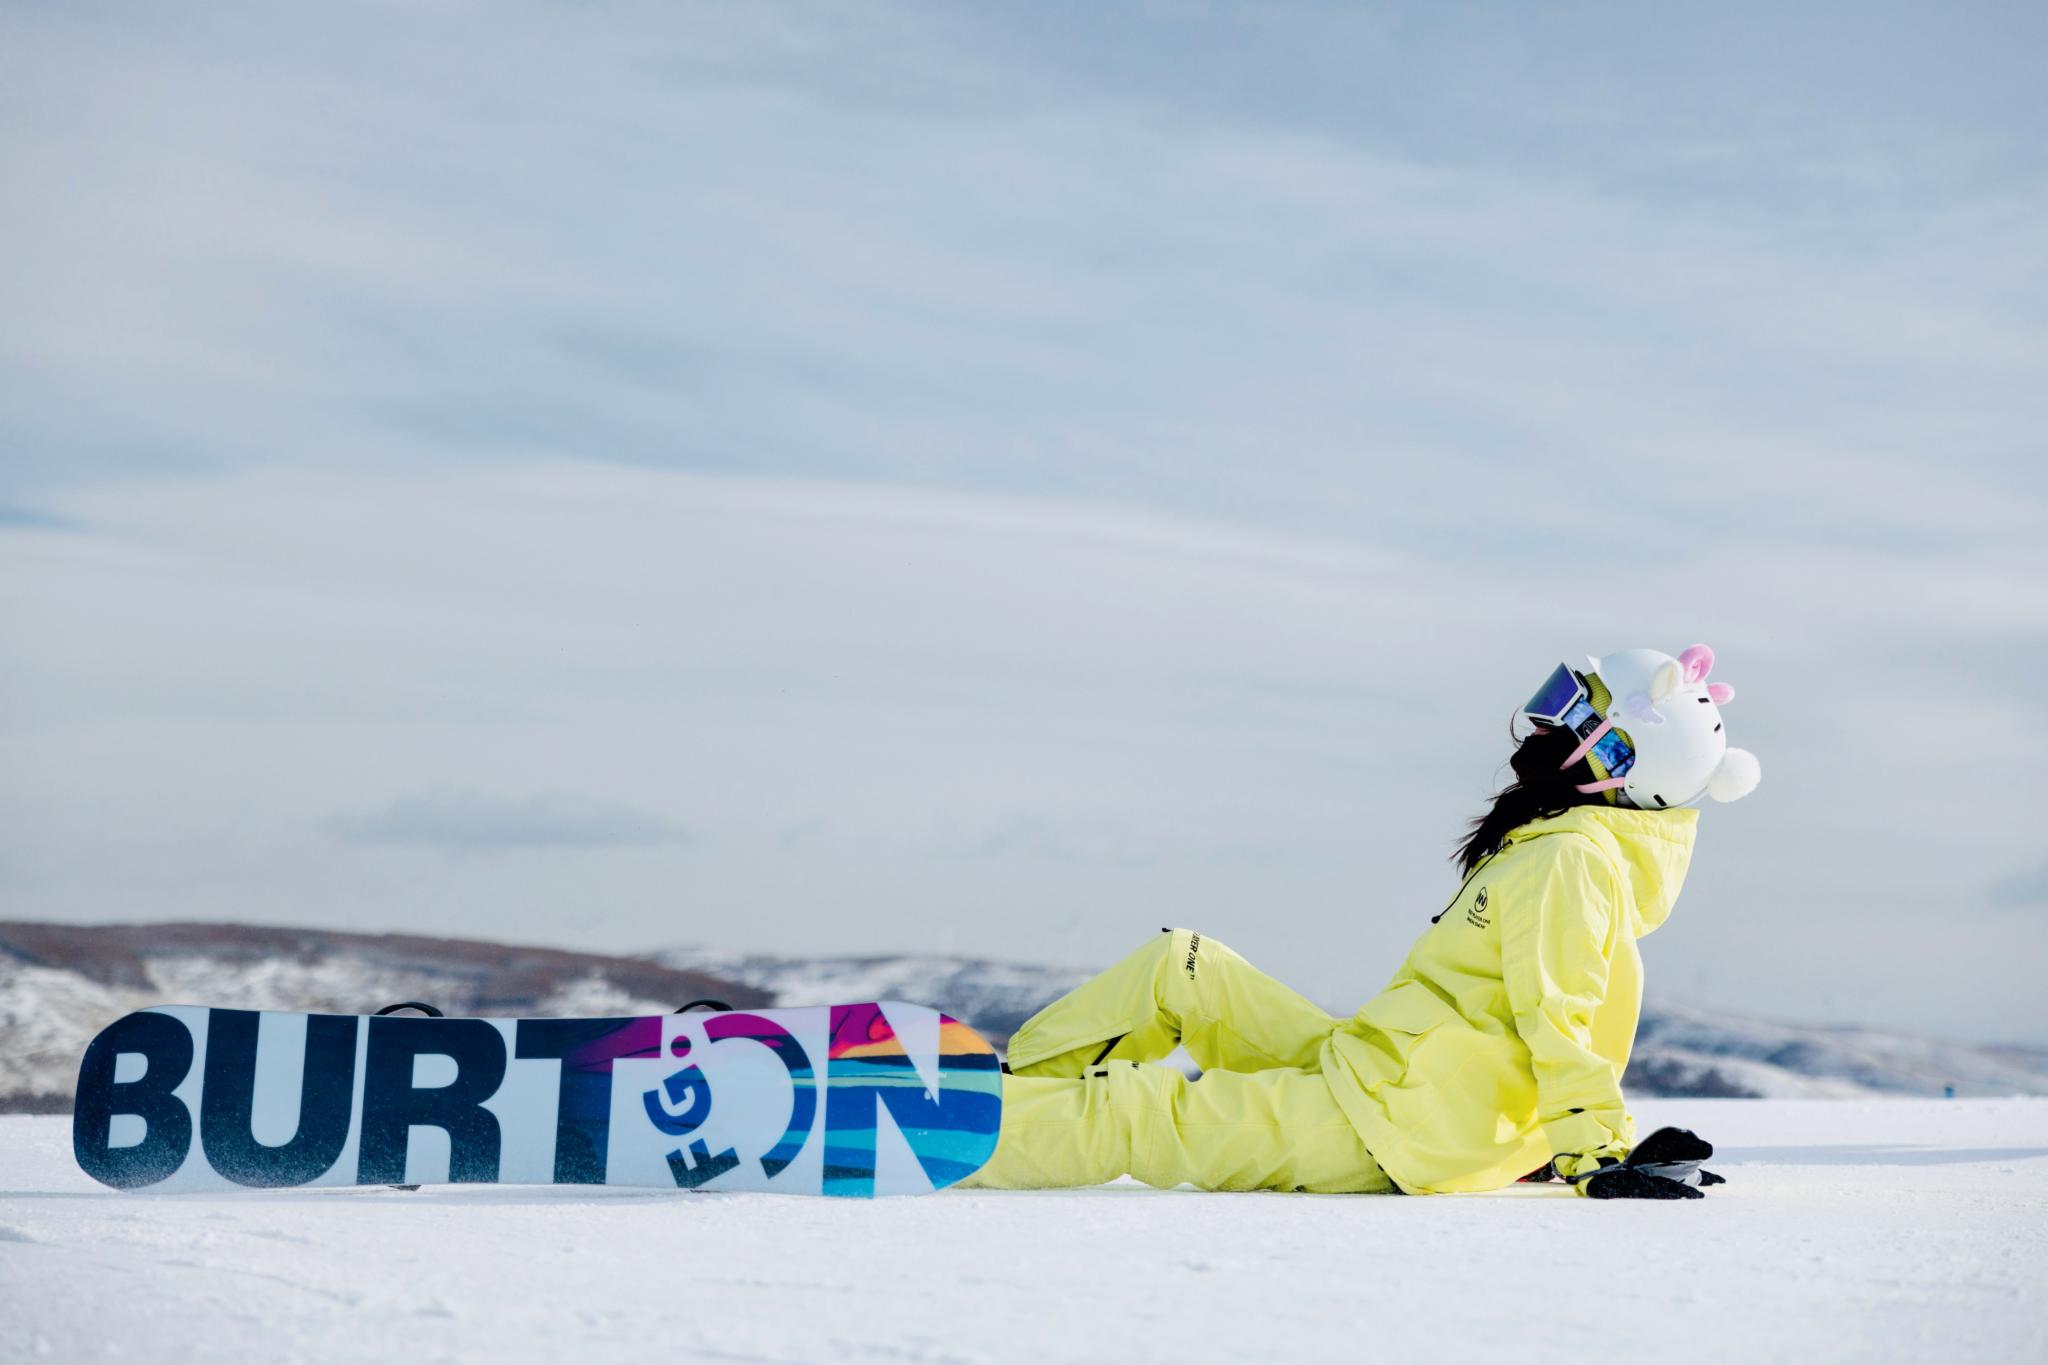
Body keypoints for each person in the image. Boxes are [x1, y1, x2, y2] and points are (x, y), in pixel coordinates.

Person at [960, 643, 1760, 1199]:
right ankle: (1012, 1098)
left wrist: (1592, 1147)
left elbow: (1564, 1015)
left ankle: (956, 1132)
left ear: (1614, 755)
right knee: (1183, 965)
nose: (1542, 720)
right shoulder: (1549, 840)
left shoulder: (1570, 859)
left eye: (1567, 707)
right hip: (1378, 1069)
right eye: (1554, 692)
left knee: (1141, 1110)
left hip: (1397, 1126)